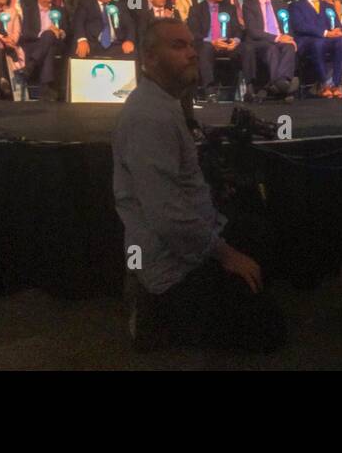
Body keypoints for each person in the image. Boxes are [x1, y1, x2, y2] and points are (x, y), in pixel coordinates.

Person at [114, 18, 285, 353]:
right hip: (173, 265)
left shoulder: (165, 102)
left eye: (192, 45)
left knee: (264, 233)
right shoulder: (150, 117)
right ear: (149, 58)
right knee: (270, 333)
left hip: (194, 236)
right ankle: (152, 313)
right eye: (178, 46)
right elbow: (167, 216)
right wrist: (226, 254)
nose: (192, 53)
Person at [289, 0, 342, 97]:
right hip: (307, 41)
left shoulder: (328, 5)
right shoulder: (296, 6)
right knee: (319, 43)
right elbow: (300, 26)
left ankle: (336, 84)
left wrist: (339, 31)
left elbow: (337, 23)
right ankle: (324, 84)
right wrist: (326, 33)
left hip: (329, 39)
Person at [240, 0, 297, 99]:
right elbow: (253, 31)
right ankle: (283, 87)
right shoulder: (249, 5)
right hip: (260, 41)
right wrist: (277, 38)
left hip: (281, 39)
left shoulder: (280, 4)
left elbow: (287, 25)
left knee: (289, 47)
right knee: (271, 48)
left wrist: (289, 38)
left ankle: (279, 82)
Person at [186, 0, 242, 100]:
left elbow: (237, 29)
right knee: (205, 49)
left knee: (245, 50)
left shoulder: (230, 8)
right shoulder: (196, 9)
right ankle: (209, 90)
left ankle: (236, 90)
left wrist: (236, 40)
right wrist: (212, 41)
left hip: (228, 43)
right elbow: (193, 32)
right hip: (208, 43)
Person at [19, 0, 69, 101]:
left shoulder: (60, 10)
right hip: (34, 44)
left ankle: (31, 66)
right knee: (48, 42)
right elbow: (25, 33)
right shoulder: (28, 10)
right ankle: (46, 88)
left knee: (50, 36)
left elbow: (67, 31)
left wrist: (62, 32)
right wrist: (44, 33)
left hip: (56, 43)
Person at [71, 0, 136, 59]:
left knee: (131, 52)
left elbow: (130, 25)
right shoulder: (85, 4)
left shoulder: (119, 5)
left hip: (116, 45)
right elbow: (78, 22)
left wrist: (129, 40)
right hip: (93, 44)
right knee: (79, 49)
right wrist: (82, 40)